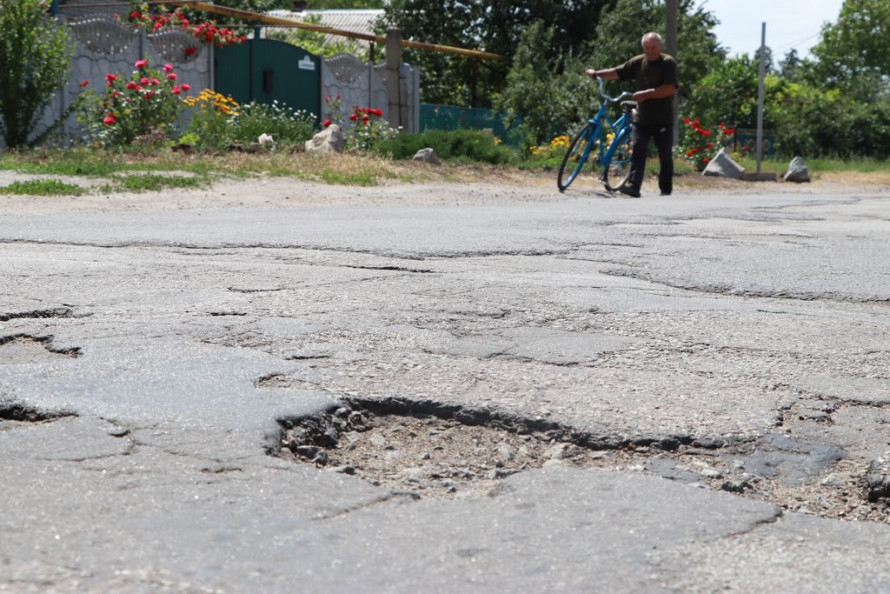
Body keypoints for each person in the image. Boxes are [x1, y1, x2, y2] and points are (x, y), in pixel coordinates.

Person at [586, 32, 678, 197]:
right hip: (642, 117)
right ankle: (634, 187)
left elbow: (669, 88)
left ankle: (665, 190)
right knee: (637, 149)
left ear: (660, 47)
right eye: (647, 48)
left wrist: (646, 94)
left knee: (664, 154)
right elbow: (617, 72)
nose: (650, 51)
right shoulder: (638, 62)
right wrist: (597, 74)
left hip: (663, 118)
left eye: (653, 47)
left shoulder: (667, 62)